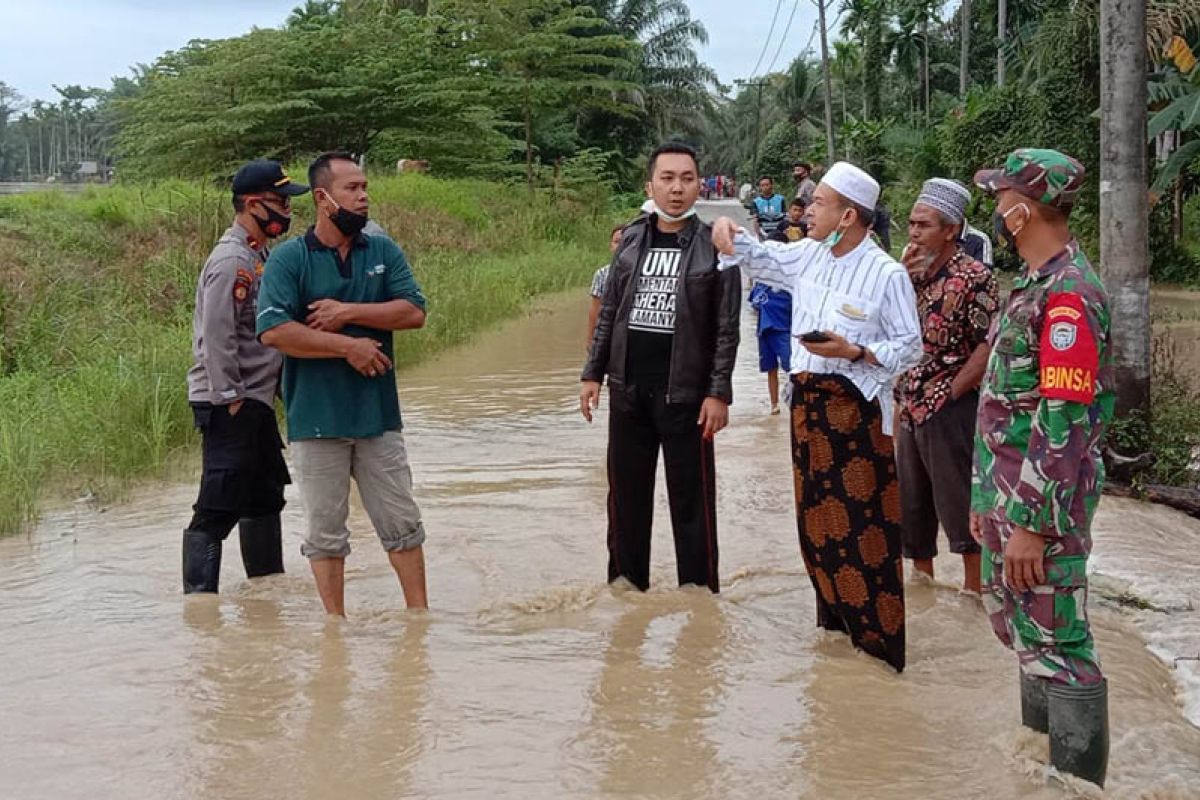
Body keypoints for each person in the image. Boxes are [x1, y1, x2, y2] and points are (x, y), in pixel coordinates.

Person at [711, 161, 922, 672]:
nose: (807, 211)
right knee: (817, 531)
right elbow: (757, 255)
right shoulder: (808, 257)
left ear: (849, 216)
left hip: (856, 419)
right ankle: (837, 639)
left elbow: (910, 347)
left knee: (864, 533)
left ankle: (879, 650)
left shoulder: (887, 274)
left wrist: (856, 351)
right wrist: (724, 232)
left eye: (820, 204)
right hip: (807, 413)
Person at [970, 149, 1114, 786]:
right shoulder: (1033, 286)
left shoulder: (1069, 298)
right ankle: (1037, 767)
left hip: (1041, 507)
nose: (996, 210)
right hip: (1007, 498)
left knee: (1063, 646)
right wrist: (984, 500)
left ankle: (1077, 786)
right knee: (1028, 633)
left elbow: (1064, 421)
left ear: (1023, 210)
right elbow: (1004, 408)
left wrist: (1032, 522)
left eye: (1001, 198)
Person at [256, 151, 430, 615]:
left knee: (402, 524)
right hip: (315, 421)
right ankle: (336, 629)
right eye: (352, 189)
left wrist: (348, 313)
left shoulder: (382, 250)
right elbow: (273, 331)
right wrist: (349, 347)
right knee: (325, 535)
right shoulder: (289, 260)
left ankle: (419, 619)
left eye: (365, 187)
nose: (364, 196)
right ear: (322, 197)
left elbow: (414, 311)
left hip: (378, 419)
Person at [579, 142, 741, 594]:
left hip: (687, 397)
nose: (677, 188)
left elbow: (727, 328)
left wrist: (718, 392)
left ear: (699, 186)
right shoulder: (631, 238)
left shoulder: (716, 246)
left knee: (694, 507)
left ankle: (700, 599)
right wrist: (592, 373)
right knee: (625, 502)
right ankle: (627, 593)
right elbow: (609, 309)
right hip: (628, 390)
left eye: (687, 179)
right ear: (649, 185)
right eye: (667, 179)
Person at [183, 159, 310, 594]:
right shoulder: (232, 260)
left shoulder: (258, 255)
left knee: (263, 497)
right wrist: (232, 396)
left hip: (253, 400)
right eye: (279, 203)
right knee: (217, 506)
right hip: (230, 401)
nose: (287, 213)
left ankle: (266, 593)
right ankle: (200, 606)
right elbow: (215, 336)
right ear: (253, 204)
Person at [895, 178, 999, 595]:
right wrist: (900, 278)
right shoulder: (906, 274)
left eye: (924, 225)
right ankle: (924, 591)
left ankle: (975, 595)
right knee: (913, 510)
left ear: (951, 230)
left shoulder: (975, 278)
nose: (914, 232)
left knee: (958, 509)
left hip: (951, 407)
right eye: (911, 223)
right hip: (909, 403)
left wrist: (949, 394)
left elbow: (986, 348)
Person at [749, 280, 792, 415]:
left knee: (792, 368)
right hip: (764, 332)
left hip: (783, 330)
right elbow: (754, 304)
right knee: (770, 369)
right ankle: (774, 405)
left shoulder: (787, 285)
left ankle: (796, 400)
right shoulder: (760, 286)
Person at [588, 224, 626, 349]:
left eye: (626, 241)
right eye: (616, 242)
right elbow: (594, 312)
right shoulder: (601, 275)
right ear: (610, 246)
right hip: (607, 335)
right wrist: (590, 342)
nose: (620, 246)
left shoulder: (642, 274)